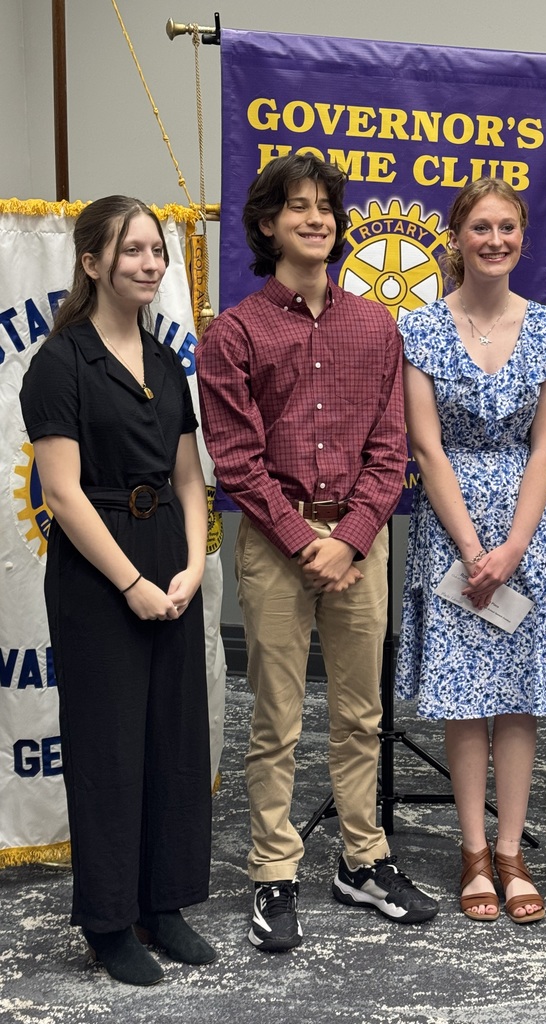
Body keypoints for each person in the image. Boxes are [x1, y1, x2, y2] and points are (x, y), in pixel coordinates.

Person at [196, 153, 438, 954]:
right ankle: (273, 871)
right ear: (267, 226)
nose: (316, 219)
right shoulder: (233, 334)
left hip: (360, 545)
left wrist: (353, 539)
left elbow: (389, 444)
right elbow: (236, 460)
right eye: (296, 207)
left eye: (326, 207)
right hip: (275, 546)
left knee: (361, 716)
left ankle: (362, 861)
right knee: (274, 720)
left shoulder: (377, 326)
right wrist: (307, 542)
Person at [19, 197, 215, 985]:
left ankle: (162, 903)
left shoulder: (167, 365)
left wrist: (194, 566)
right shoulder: (59, 363)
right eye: (132, 250)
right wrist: (132, 582)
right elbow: (62, 493)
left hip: (170, 556)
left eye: (156, 251)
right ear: (92, 262)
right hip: (101, 573)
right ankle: (108, 920)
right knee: (108, 748)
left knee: (173, 739)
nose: (150, 263)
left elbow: (189, 480)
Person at [395, 178, 546, 923]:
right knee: (465, 694)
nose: (495, 239)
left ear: (524, 240)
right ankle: (472, 852)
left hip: (529, 531)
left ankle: (512, 851)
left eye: (508, 227)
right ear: (456, 236)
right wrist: (474, 548)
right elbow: (426, 447)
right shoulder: (419, 328)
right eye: (481, 227)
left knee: (519, 696)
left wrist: (511, 547)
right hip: (450, 528)